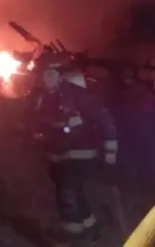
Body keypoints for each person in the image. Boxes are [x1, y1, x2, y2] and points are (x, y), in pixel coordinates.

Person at [27, 50, 118, 245]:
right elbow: (38, 124)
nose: (46, 78)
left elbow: (105, 120)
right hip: (58, 157)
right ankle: (92, 230)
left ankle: (71, 238)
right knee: (73, 194)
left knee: (68, 193)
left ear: (60, 76)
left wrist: (110, 153)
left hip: (81, 154)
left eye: (50, 74)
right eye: (43, 74)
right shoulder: (41, 98)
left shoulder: (77, 95)